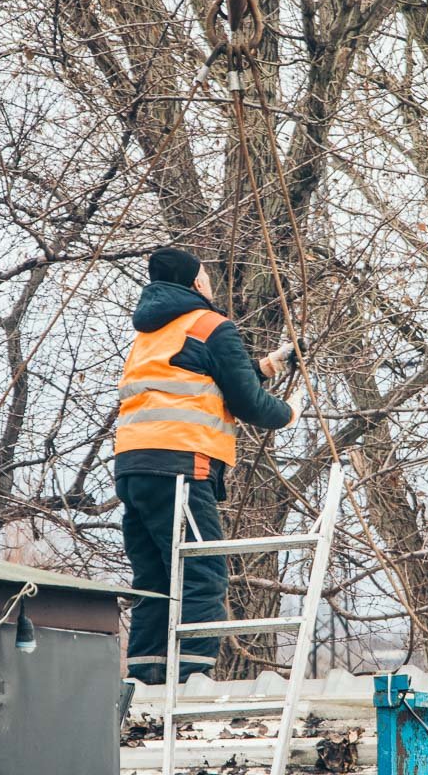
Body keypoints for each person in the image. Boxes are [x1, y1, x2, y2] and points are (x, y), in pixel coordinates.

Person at [115, 247, 303, 685]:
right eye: (206, 276)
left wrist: (267, 366)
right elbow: (248, 404)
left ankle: (145, 678)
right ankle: (193, 676)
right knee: (201, 570)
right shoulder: (210, 325)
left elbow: (196, 381)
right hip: (181, 464)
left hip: (133, 467)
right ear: (196, 282)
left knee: (155, 575)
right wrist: (289, 413)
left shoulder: (150, 334)